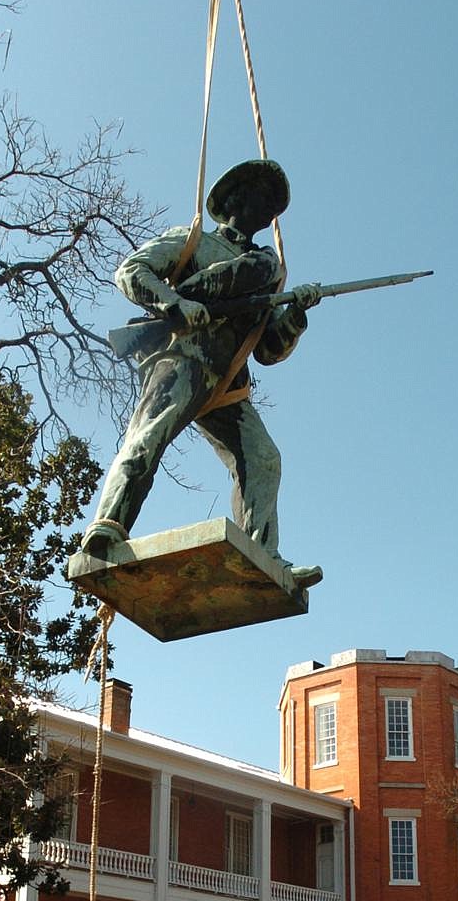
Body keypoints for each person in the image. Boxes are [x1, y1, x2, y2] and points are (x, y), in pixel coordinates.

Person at [81, 158, 322, 589]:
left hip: (227, 381)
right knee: (149, 437)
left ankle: (263, 555)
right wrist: (174, 304)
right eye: (262, 196)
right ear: (236, 199)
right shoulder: (193, 241)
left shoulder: (267, 271)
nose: (269, 209)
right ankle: (107, 526)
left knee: (263, 459)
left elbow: (268, 350)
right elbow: (131, 271)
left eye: (273, 204)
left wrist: (295, 315)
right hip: (184, 357)